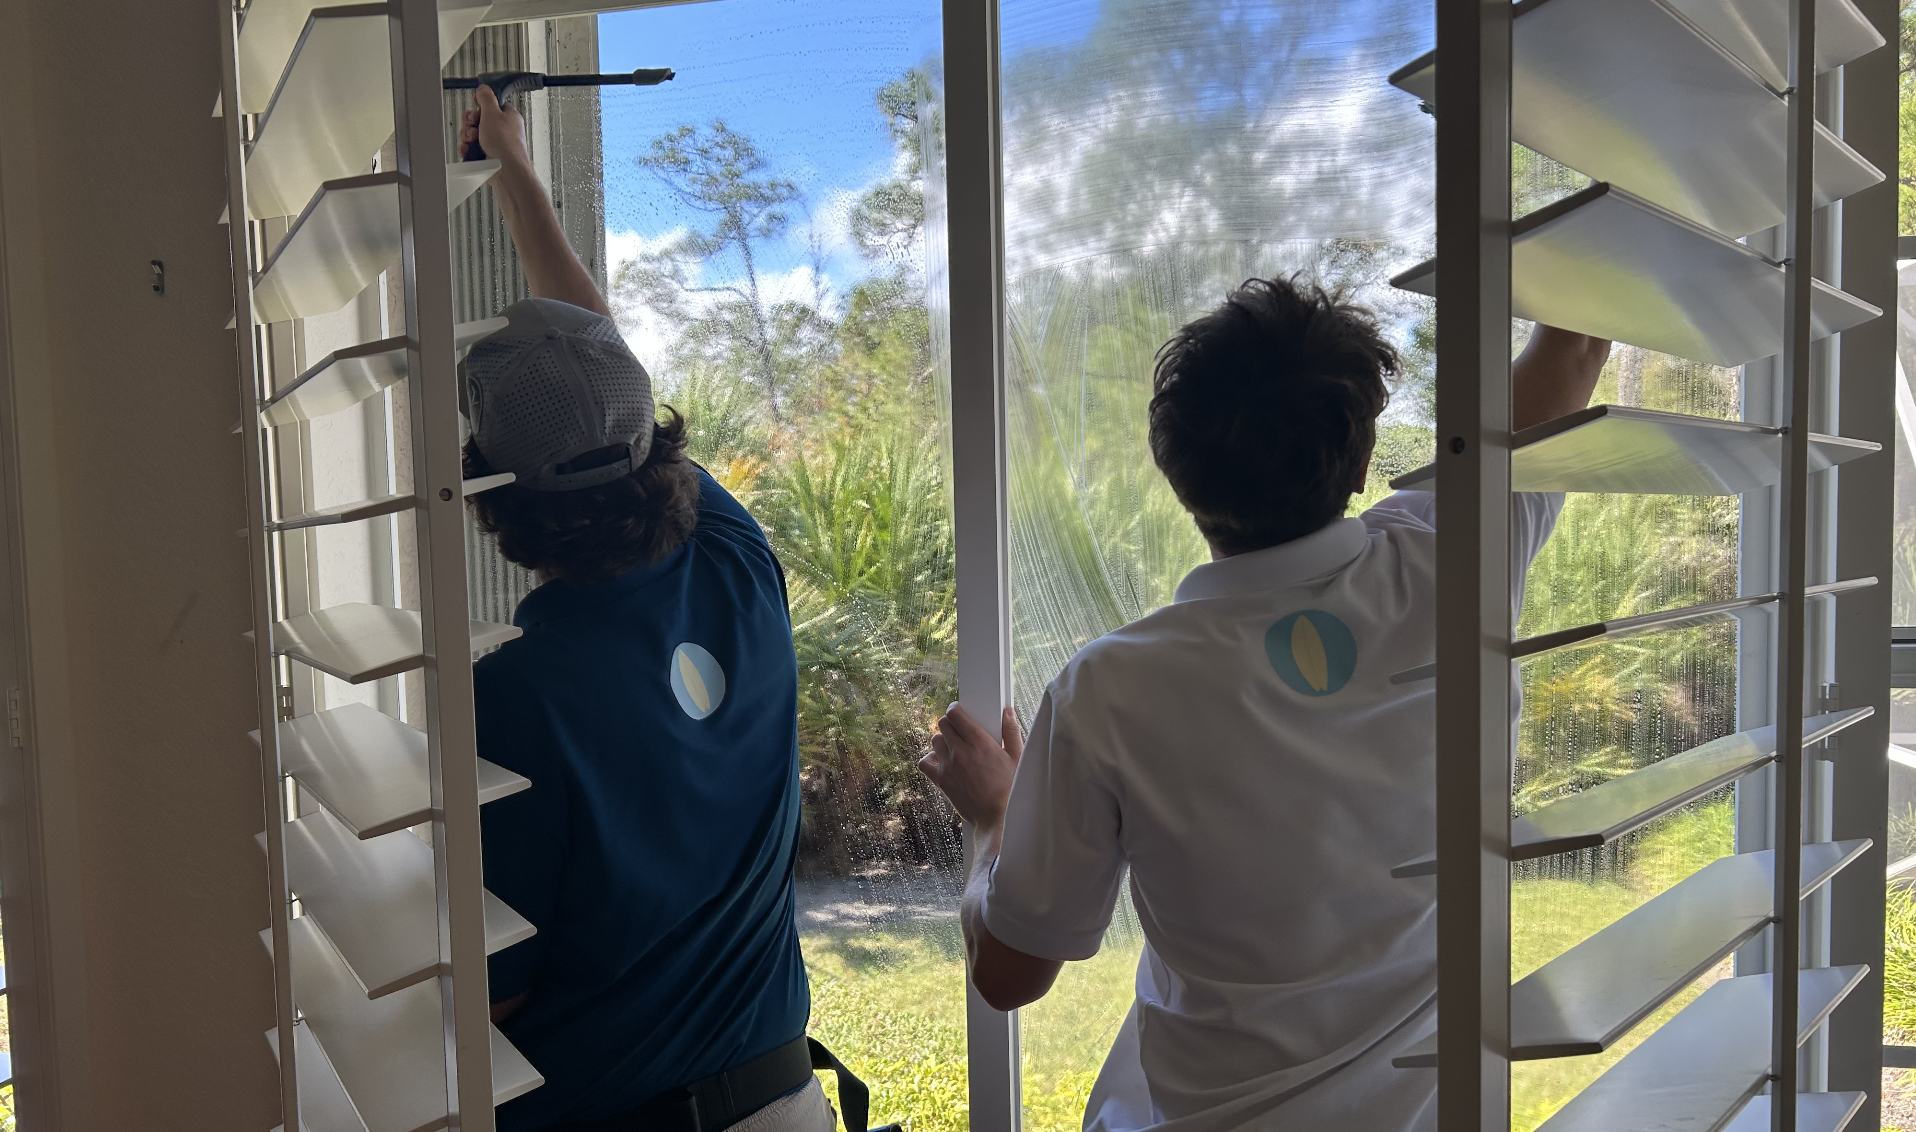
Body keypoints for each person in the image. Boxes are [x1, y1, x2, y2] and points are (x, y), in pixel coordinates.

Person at [919, 278, 1610, 1132]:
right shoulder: (1457, 565)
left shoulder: (1114, 688)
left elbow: (1010, 975)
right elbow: (1574, 347)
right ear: (1359, 464)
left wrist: (995, 816)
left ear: (1173, 468)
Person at [454, 86, 833, 1132]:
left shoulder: (515, 700)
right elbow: (598, 365)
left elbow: (497, 995)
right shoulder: (736, 563)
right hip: (782, 1101)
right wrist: (517, 169)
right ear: (653, 442)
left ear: (496, 501)